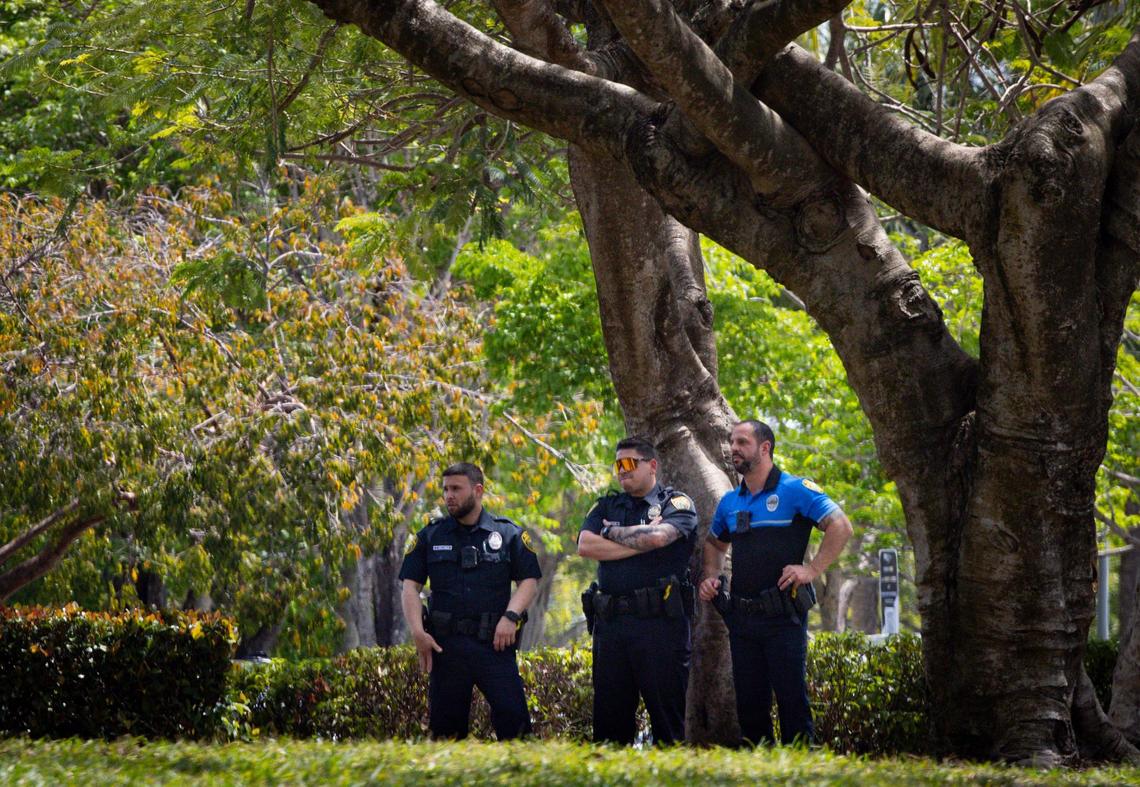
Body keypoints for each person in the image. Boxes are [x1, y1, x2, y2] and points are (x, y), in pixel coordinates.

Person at [699, 420, 853, 746]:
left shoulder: (796, 489)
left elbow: (840, 525)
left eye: (742, 442)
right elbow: (714, 544)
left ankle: (800, 769)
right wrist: (711, 577)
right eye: (732, 442)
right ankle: (759, 769)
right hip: (741, 617)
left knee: (791, 700)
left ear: (765, 447)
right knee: (750, 706)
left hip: (784, 616)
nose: (733, 449)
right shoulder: (730, 502)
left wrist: (812, 569)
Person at [399, 462, 541, 740]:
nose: (448, 495)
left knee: (517, 730)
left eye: (456, 489)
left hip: (495, 645)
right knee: (445, 738)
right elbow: (409, 586)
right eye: (445, 489)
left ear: (478, 490)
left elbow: (529, 581)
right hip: (446, 647)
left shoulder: (508, 533)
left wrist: (510, 617)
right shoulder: (430, 536)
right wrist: (417, 632)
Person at [578, 436, 699, 745]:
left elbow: (659, 538)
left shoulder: (676, 504)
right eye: (618, 464)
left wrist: (610, 532)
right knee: (608, 731)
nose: (622, 470)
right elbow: (585, 545)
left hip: (661, 627)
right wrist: (638, 542)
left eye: (630, 463)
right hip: (611, 626)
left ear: (652, 465)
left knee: (667, 729)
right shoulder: (607, 504)